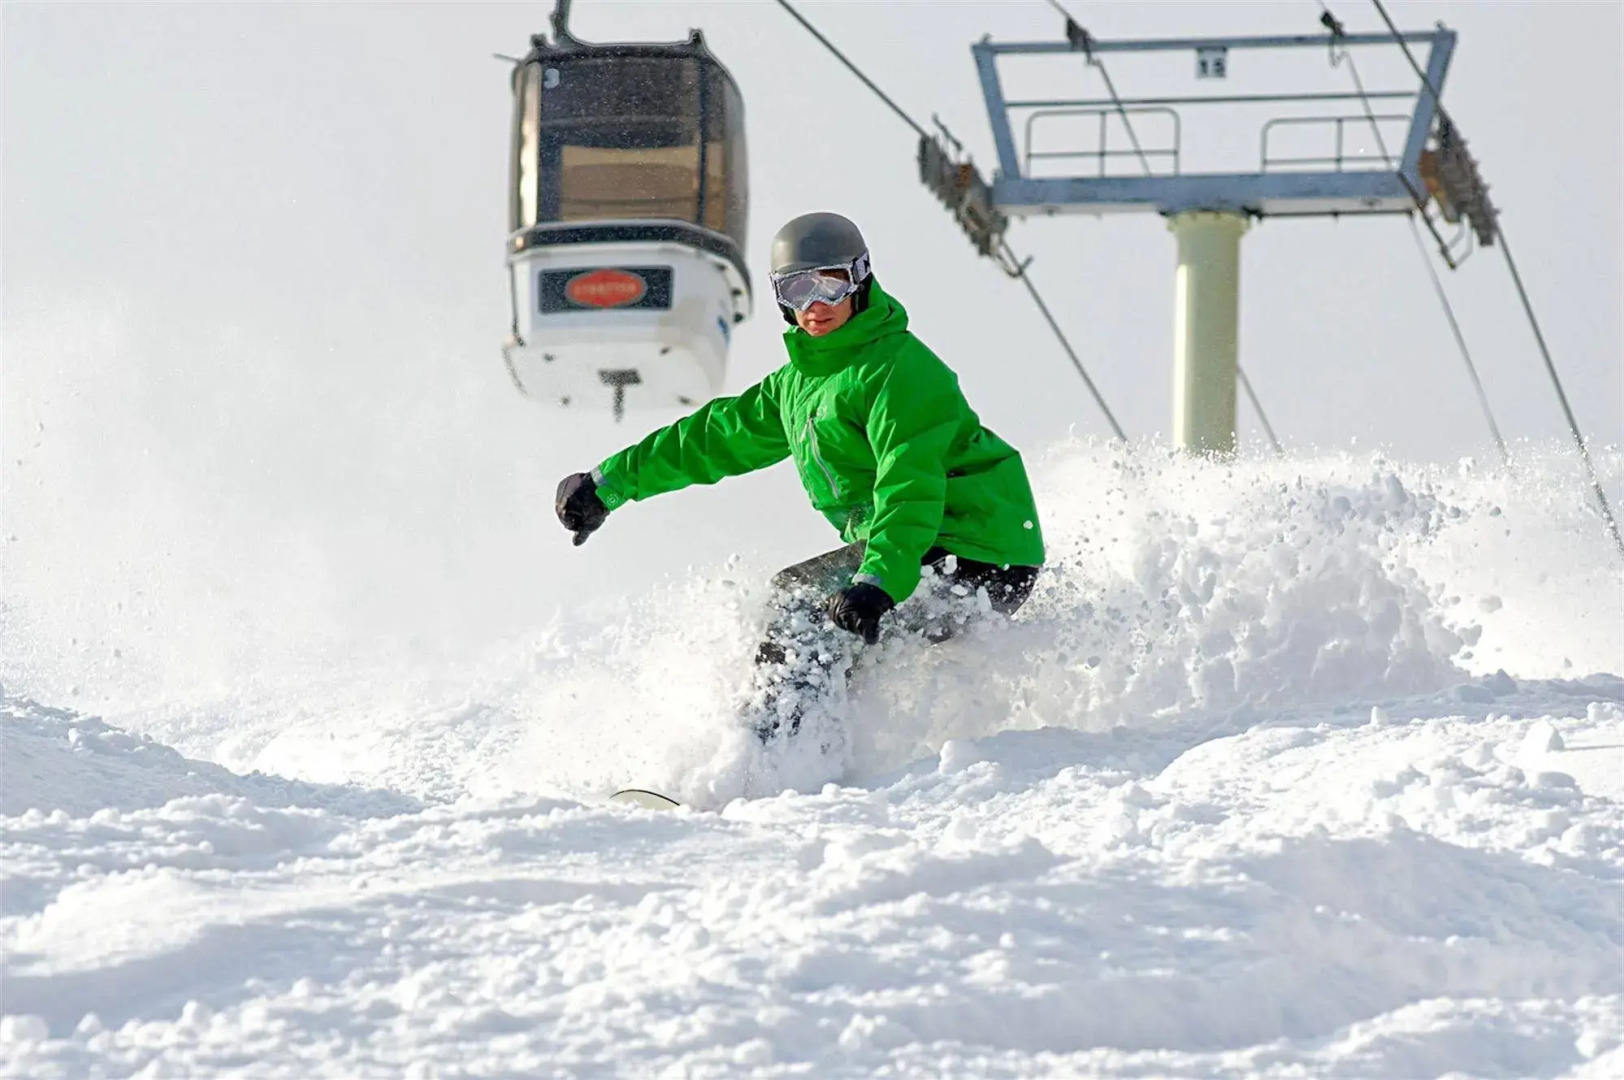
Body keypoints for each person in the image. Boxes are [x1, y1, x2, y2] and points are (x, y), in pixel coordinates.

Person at [555, 212, 1044, 740]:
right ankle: (819, 743)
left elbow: (911, 485)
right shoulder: (798, 385)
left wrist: (879, 581)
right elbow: (712, 438)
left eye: (829, 284)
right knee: (804, 600)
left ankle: (779, 749)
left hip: (979, 556)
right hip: (915, 551)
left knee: (801, 607)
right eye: (796, 287)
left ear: (859, 278)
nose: (814, 304)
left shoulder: (899, 369)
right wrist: (607, 483)